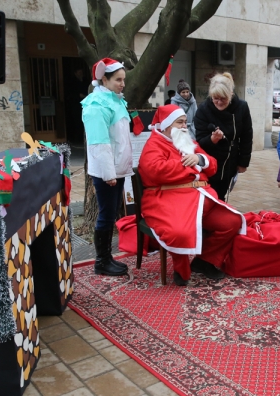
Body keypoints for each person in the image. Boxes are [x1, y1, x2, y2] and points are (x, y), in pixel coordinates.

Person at [138, 104, 246, 286]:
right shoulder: (154, 144)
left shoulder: (188, 141)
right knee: (179, 233)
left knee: (232, 222)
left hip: (201, 197)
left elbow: (212, 165)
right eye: (179, 122)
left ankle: (204, 261)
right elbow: (154, 171)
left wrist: (200, 159)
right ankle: (181, 269)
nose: (183, 127)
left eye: (185, 122)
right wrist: (190, 166)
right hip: (169, 200)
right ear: (166, 125)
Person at [82, 58, 135, 276]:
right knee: (106, 214)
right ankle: (101, 261)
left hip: (117, 170)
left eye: (124, 79)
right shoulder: (96, 105)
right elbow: (99, 143)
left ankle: (107, 258)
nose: (122, 84)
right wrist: (108, 174)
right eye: (118, 80)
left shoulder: (114, 100)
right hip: (108, 172)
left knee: (111, 213)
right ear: (104, 79)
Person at [194, 73, 254, 200]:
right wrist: (212, 139)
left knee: (221, 195)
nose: (219, 102)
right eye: (215, 98)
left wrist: (243, 162)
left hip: (230, 160)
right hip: (210, 160)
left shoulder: (242, 107)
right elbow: (199, 140)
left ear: (230, 95)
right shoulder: (203, 110)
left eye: (223, 98)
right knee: (209, 196)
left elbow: (246, 136)